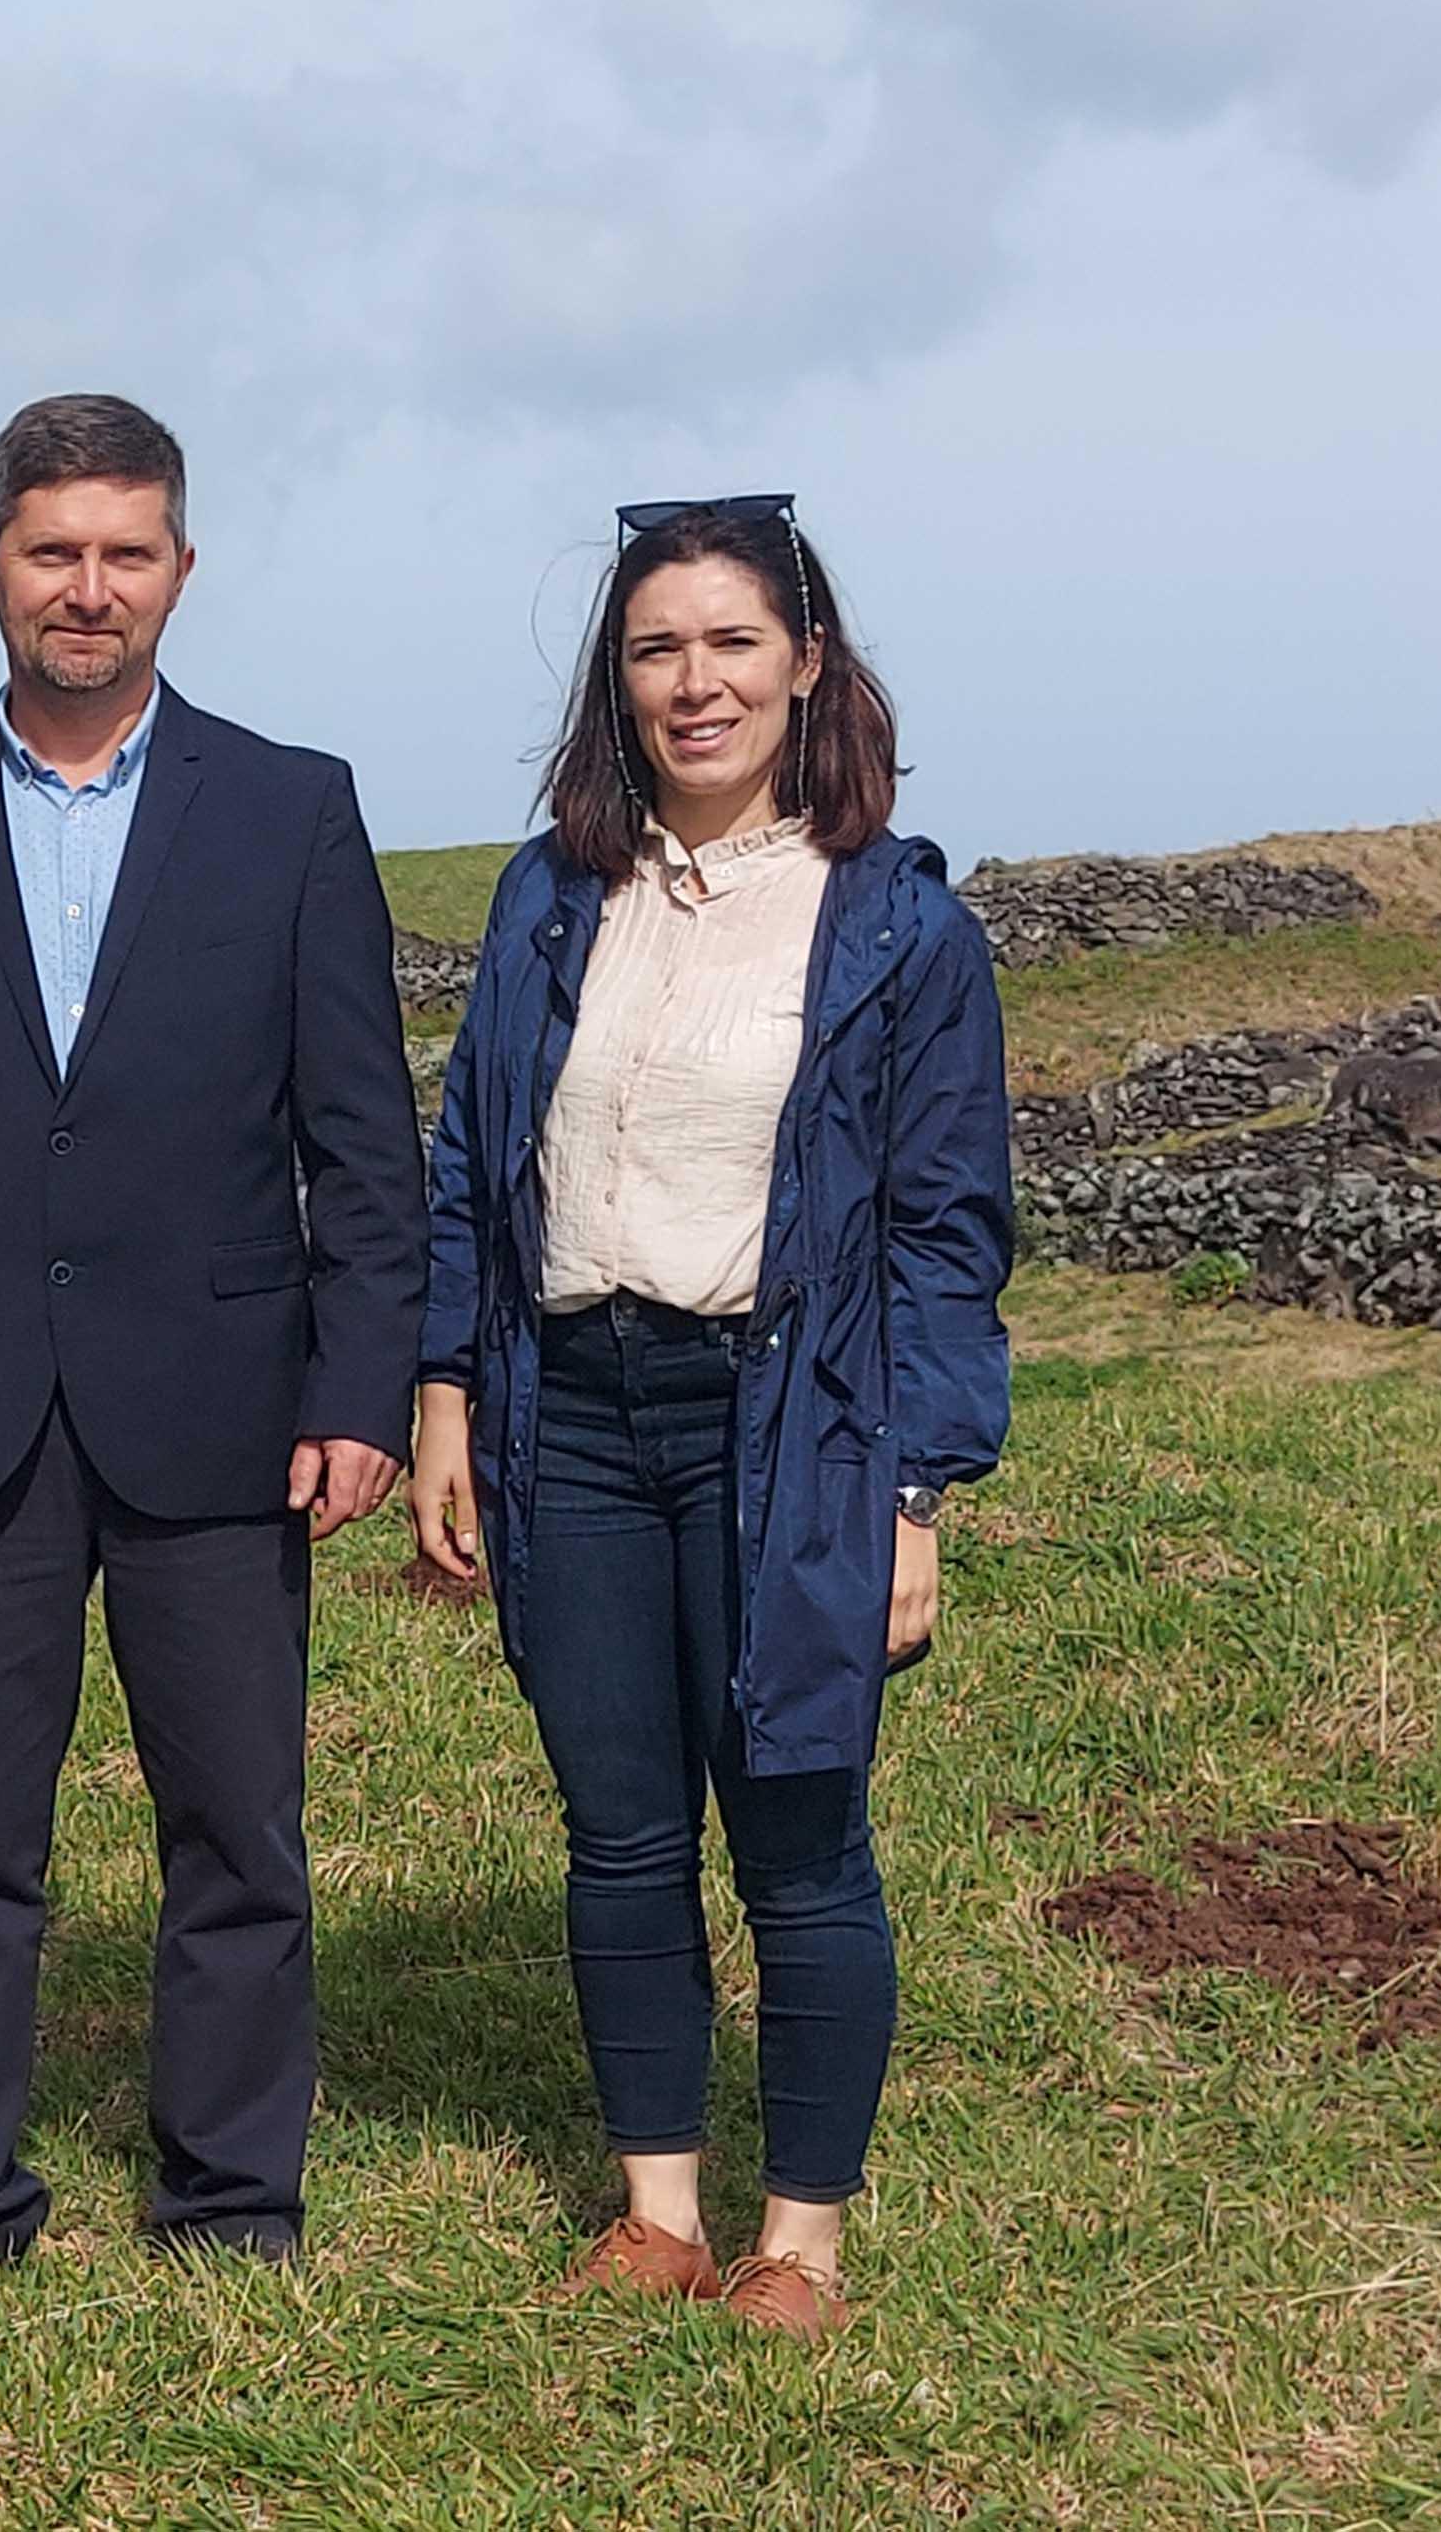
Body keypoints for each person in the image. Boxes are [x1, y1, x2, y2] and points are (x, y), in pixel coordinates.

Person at [0, 394, 427, 2289]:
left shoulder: (290, 806)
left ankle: (229, 2192)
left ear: (180, 570)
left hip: (221, 1406)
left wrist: (360, 1385)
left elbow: (361, 1137)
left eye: (124, 552)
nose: (88, 587)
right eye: (52, 550)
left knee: (235, 1825)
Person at [406, 494, 1013, 2339]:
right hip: (572, 1413)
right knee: (616, 1829)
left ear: (806, 663)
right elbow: (469, 1164)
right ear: (619, 679)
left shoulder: (896, 926)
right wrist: (442, 1388)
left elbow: (943, 1232)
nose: (695, 682)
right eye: (656, 647)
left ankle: (798, 2240)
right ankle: (657, 2209)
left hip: (791, 1426)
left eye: (732, 642)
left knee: (800, 1836)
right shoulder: (548, 894)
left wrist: (913, 1491)